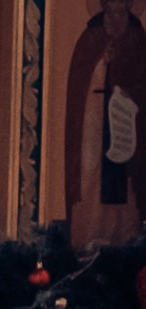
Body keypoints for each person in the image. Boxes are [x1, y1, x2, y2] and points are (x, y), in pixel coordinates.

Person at [64, 0, 146, 245]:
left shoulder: (138, 39)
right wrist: (103, 63)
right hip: (95, 120)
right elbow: (80, 86)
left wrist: (129, 92)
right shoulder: (91, 37)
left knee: (128, 184)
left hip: (128, 123)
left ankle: (125, 242)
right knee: (91, 176)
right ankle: (89, 241)